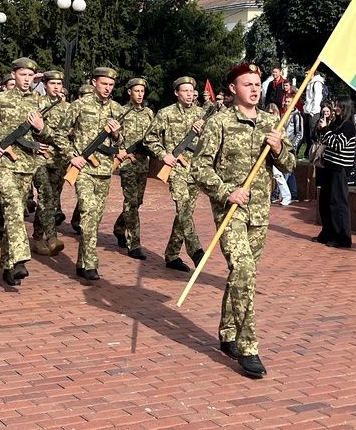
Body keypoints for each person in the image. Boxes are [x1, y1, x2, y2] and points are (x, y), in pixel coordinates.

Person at [191, 62, 295, 380]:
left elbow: (290, 164)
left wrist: (278, 149)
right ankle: (248, 347)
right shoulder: (219, 122)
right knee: (244, 270)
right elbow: (199, 168)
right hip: (230, 212)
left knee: (242, 277)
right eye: (247, 83)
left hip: (260, 213)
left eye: (257, 83)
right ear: (233, 88)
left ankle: (227, 331)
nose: (253, 88)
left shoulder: (270, 121)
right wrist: (226, 192)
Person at [0, 57, 51, 287]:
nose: (26, 79)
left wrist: (41, 128)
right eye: (22, 75)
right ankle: (20, 259)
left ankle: (8, 266)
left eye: (30, 76)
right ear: (14, 75)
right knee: (14, 208)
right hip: (4, 165)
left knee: (12, 214)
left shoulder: (40, 102)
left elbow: (49, 137)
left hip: (27, 165)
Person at [63, 66, 124, 282]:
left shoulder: (117, 109)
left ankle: (82, 261)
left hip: (105, 170)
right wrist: (72, 155)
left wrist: (116, 134)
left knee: (95, 218)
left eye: (111, 85)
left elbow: (122, 143)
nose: (107, 88)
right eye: (104, 84)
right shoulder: (79, 106)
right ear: (94, 82)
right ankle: (90, 263)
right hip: (84, 169)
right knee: (88, 212)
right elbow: (60, 134)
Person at [144, 76, 209, 273]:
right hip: (177, 170)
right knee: (183, 207)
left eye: (191, 91)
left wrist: (202, 128)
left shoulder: (202, 114)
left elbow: (211, 140)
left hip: (195, 170)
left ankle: (172, 254)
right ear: (176, 93)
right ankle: (196, 249)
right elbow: (149, 138)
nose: (189, 94)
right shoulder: (166, 113)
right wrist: (164, 155)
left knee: (185, 212)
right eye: (185, 91)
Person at [113, 77, 155, 261]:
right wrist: (121, 151)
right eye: (136, 91)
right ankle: (134, 243)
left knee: (137, 201)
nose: (139, 94)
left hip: (142, 162)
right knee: (131, 202)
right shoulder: (121, 112)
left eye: (142, 91)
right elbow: (114, 136)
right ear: (129, 91)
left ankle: (119, 227)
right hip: (127, 162)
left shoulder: (148, 113)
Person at [30, 71, 71, 256]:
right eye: (52, 83)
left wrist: (44, 129)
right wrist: (34, 144)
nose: (56, 87)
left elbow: (69, 135)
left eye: (59, 83)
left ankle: (37, 238)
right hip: (40, 158)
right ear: (45, 85)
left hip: (59, 159)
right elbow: (27, 130)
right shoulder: (37, 104)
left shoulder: (68, 108)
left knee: (51, 199)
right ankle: (51, 237)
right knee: (45, 194)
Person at [313, 99, 356, 248]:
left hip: (340, 168)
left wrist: (326, 130)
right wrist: (321, 129)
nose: (335, 108)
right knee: (325, 201)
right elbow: (326, 140)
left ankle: (342, 237)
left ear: (345, 108)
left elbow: (338, 145)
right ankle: (328, 233)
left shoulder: (349, 126)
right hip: (329, 166)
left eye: (339, 106)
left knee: (338, 203)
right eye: (336, 105)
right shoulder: (335, 123)